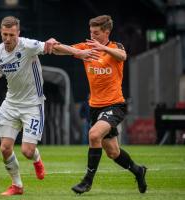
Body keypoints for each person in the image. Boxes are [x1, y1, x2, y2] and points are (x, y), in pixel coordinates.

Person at [53, 15, 147, 194]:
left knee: (94, 135)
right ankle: (138, 171)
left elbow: (123, 55)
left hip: (115, 105)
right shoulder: (86, 47)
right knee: (113, 152)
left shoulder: (114, 47)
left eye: (96, 33)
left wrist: (102, 48)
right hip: (95, 107)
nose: (92, 36)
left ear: (107, 32)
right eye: (91, 32)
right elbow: (58, 51)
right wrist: (55, 45)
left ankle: (87, 181)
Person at [0, 16, 59, 196]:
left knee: (27, 151)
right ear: (0, 32)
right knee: (4, 148)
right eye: (4, 34)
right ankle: (17, 185)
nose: (7, 38)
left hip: (33, 104)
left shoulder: (28, 46)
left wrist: (78, 53)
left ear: (18, 33)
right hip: (11, 104)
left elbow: (52, 47)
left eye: (11, 34)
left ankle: (37, 159)